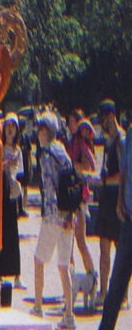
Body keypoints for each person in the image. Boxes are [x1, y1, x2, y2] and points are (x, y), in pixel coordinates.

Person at [90, 102, 132, 330]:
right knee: (115, 288)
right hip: (128, 220)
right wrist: (119, 200)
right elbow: (124, 173)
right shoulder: (127, 140)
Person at [32, 111, 76, 329]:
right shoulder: (64, 153)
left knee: (39, 260)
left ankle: (38, 307)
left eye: (40, 129)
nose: (37, 133)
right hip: (69, 216)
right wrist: (70, 214)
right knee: (63, 265)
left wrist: (50, 215)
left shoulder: (46, 154)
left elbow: (49, 187)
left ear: (46, 131)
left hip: (53, 214)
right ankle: (69, 314)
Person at [94, 99, 125, 309]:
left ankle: (121, 294)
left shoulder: (122, 141)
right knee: (103, 247)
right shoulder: (107, 141)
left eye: (104, 119)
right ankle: (104, 291)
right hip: (105, 198)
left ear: (110, 116)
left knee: (119, 249)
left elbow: (124, 174)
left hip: (117, 199)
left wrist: (104, 182)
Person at [65, 108, 98, 292]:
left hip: (79, 196)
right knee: (71, 241)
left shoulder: (79, 142)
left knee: (79, 240)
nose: (70, 124)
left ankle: (91, 275)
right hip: (73, 195)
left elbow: (91, 165)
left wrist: (74, 164)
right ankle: (72, 281)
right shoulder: (72, 141)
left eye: (71, 121)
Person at [0, 112, 24, 288]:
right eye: (8, 126)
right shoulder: (0, 147)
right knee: (1, 230)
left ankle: (16, 273)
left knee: (13, 231)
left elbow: (20, 173)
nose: (11, 130)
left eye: (14, 127)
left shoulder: (18, 149)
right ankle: (0, 271)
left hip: (12, 193)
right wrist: (5, 164)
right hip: (1, 191)